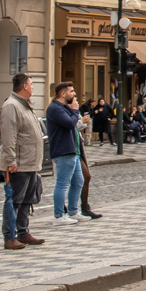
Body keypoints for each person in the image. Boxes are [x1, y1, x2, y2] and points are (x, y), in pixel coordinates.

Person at [0, 72, 45, 249]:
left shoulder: (25, 105)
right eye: (32, 84)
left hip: (30, 162)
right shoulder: (11, 106)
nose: (33, 87)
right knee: (14, 200)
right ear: (24, 86)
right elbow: (9, 136)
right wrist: (11, 160)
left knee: (27, 199)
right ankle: (10, 236)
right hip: (19, 163)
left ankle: (23, 232)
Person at [44, 81, 88, 226]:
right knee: (62, 183)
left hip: (72, 150)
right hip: (63, 150)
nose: (74, 94)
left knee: (78, 181)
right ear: (63, 94)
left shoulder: (64, 108)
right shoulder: (55, 109)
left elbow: (74, 122)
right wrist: (75, 110)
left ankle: (73, 211)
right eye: (71, 91)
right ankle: (58, 215)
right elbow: (70, 123)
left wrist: (73, 111)